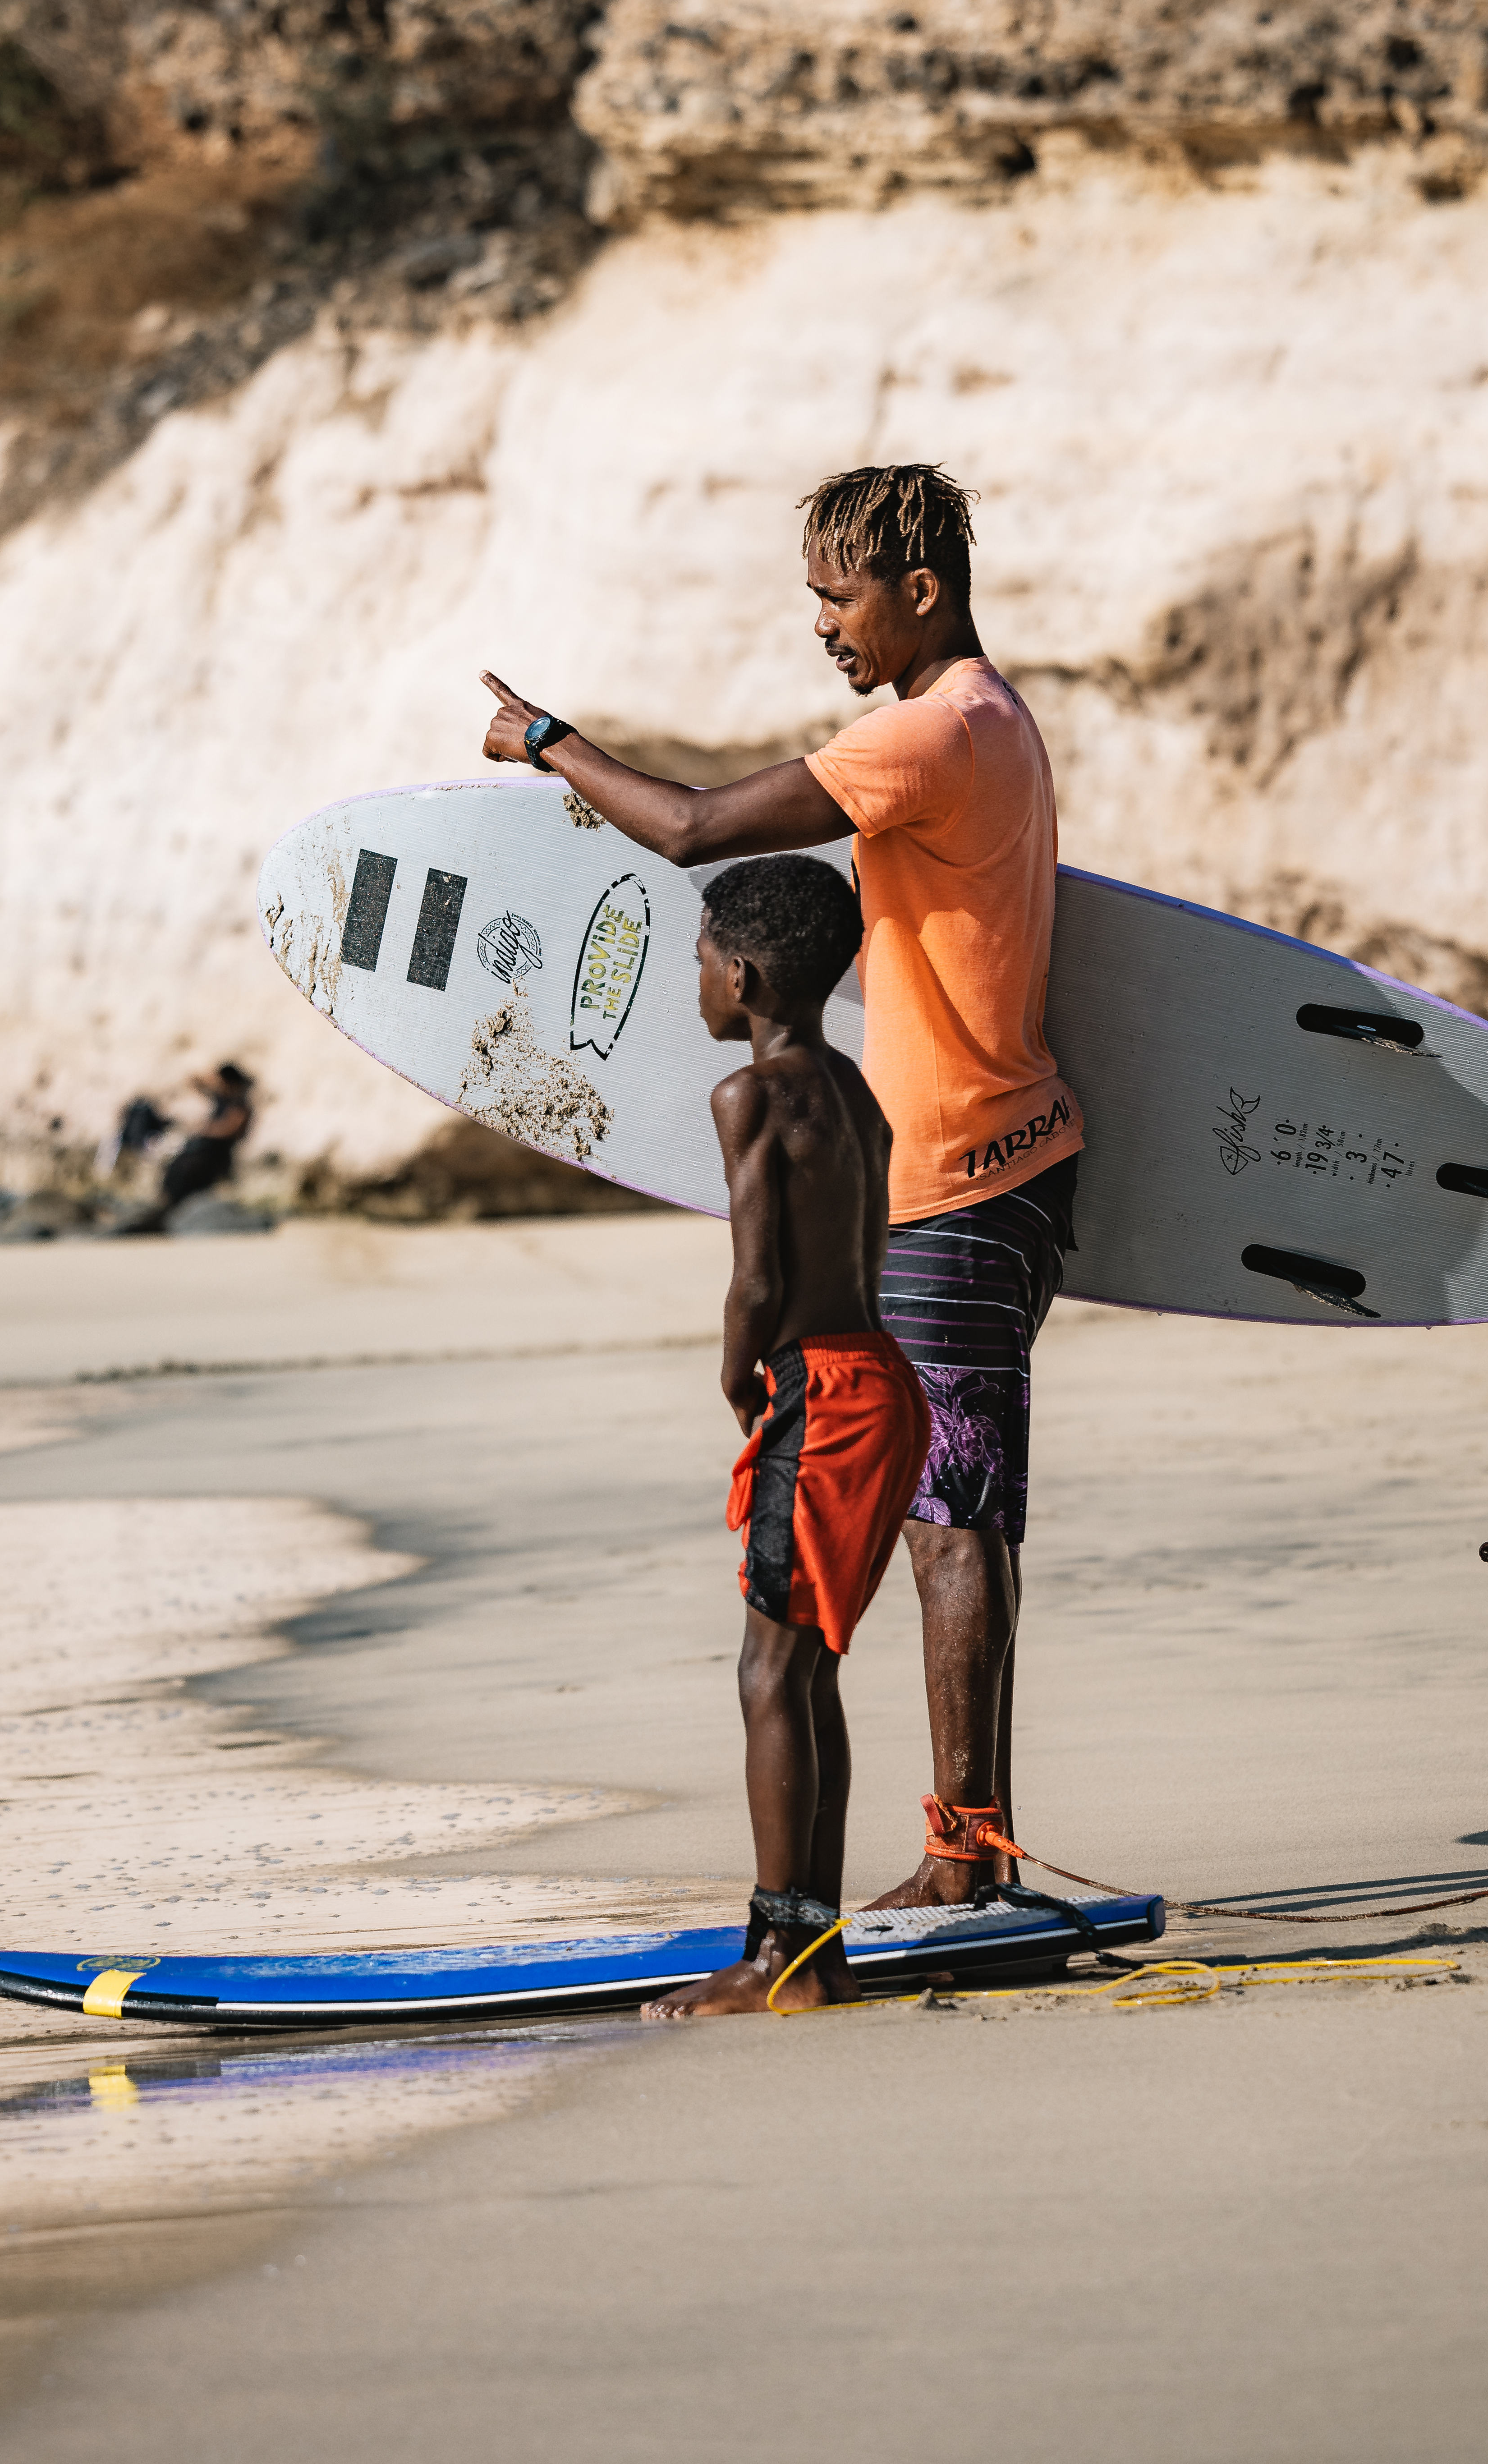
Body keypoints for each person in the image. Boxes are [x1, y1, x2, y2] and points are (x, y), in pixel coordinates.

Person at [478, 462, 1081, 1914]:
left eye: (837, 594)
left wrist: (547, 741)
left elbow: (693, 829)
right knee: (958, 1504)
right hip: (1014, 1164)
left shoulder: (928, 734)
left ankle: (963, 1856)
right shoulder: (998, 725)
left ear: (919, 593)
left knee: (951, 1518)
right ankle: (968, 1841)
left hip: (953, 1181)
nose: (822, 623)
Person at [642, 859, 924, 2018]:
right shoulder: (852, 1087)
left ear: (743, 974)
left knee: (768, 1673)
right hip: (882, 1381)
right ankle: (818, 1951)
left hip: (819, 1394)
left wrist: (732, 1376)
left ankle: (778, 1959)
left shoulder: (748, 1097)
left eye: (704, 955)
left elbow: (757, 1275)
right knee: (809, 1672)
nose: (696, 977)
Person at [113, 1062, 257, 1232]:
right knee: (176, 1169)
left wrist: (204, 1129)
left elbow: (231, 1129)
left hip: (215, 1155)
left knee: (183, 1171)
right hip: (204, 1151)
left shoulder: (240, 1103)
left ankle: (168, 1212)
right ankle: (166, 1208)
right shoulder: (224, 1098)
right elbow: (194, 1082)